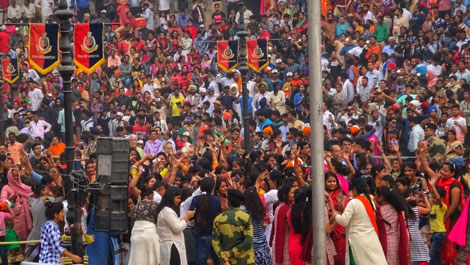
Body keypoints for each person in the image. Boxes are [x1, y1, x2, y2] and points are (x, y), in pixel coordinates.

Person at [331, 178, 388, 264]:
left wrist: (335, 214)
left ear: (354, 189)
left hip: (357, 240)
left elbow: (343, 221)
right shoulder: (370, 201)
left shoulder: (354, 202)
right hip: (371, 238)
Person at [212, 189, 255, 265]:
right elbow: (248, 241)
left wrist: (224, 259)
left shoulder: (218, 219)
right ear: (240, 203)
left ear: (228, 201)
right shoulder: (246, 218)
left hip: (228, 262)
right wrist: (232, 253)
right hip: (245, 261)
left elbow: (216, 242)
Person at [157, 186, 196, 265]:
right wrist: (187, 217)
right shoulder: (167, 211)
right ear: (171, 197)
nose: (179, 200)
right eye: (178, 198)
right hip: (171, 246)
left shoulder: (168, 210)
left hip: (172, 245)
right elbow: (177, 228)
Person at [189, 177, 221, 265]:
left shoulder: (196, 199)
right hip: (214, 235)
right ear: (212, 187)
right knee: (218, 261)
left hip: (199, 235)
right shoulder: (216, 200)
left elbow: (190, 216)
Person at [128, 187, 160, 265]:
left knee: (137, 259)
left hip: (135, 234)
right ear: (151, 195)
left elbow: (132, 221)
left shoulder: (136, 206)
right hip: (149, 233)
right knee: (150, 258)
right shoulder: (155, 204)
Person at [243, 187, 273, 265]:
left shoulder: (244, 211)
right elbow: (263, 226)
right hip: (263, 246)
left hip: (251, 247)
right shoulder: (261, 209)